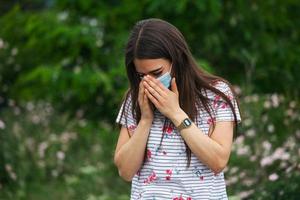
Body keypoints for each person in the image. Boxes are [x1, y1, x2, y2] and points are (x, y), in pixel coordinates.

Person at [114, 18, 241, 200]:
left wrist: (175, 113)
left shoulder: (216, 94)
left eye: (157, 73)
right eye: (142, 75)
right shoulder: (135, 99)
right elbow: (125, 171)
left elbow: (218, 161)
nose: (150, 82)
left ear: (177, 59)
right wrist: (145, 119)